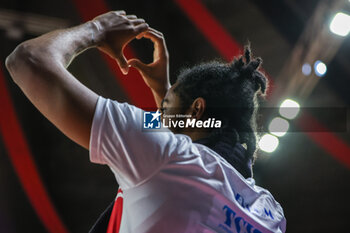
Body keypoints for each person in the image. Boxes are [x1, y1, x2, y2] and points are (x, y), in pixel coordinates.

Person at [6, 11, 286, 233]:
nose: (160, 114)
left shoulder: (169, 158)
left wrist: (97, 29)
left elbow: (27, 61)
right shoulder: (270, 211)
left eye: (167, 106)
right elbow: (190, 155)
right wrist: (165, 92)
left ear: (197, 109)